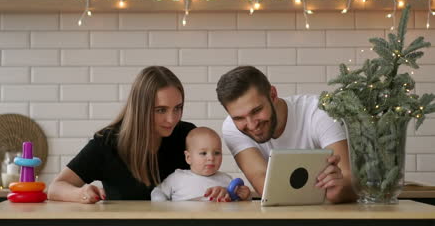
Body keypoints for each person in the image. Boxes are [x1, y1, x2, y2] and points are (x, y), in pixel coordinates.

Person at [47, 66, 197, 204]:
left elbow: (208, 179)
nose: (172, 119)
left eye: (177, 108)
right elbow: (55, 188)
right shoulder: (107, 143)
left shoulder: (188, 135)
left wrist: (217, 191)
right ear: (140, 109)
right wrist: (81, 193)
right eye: (161, 110)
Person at [215, 66, 356, 204]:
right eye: (239, 118)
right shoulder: (231, 127)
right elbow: (266, 187)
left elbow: (348, 178)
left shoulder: (319, 112)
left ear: (273, 95)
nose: (251, 125)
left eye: (256, 110)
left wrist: (339, 192)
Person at [151, 127, 251, 202]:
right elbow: (158, 192)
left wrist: (245, 196)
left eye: (217, 153)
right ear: (188, 158)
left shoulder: (227, 180)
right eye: (203, 153)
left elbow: (238, 206)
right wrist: (161, 206)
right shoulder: (177, 177)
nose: (211, 158)